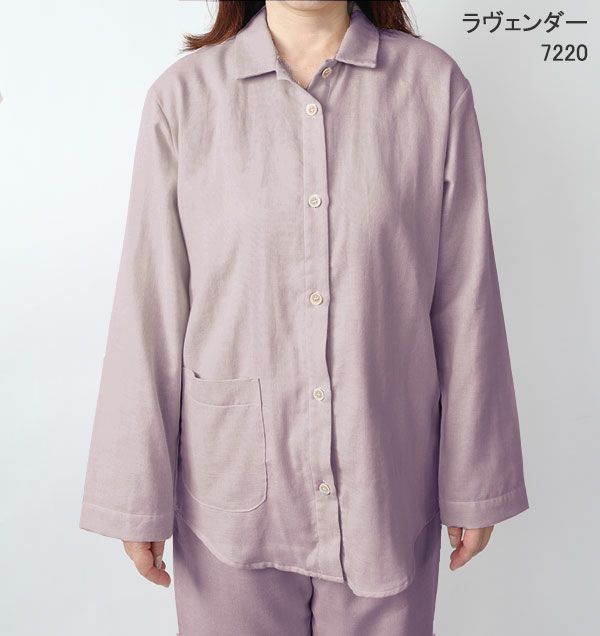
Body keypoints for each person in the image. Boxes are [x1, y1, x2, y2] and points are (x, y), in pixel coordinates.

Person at [79, 1, 530, 634]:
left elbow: (465, 296)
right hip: (229, 498)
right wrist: (137, 494)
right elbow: (149, 303)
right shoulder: (184, 99)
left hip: (385, 483)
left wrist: (474, 478)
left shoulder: (433, 87)